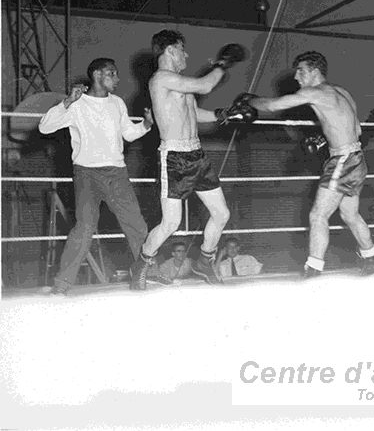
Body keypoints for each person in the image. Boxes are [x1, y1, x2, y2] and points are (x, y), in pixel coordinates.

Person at [246, 51, 374, 277]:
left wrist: (248, 99)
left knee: (318, 215)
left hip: (343, 161)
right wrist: (324, 139)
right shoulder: (343, 92)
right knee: (350, 215)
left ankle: (314, 267)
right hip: (357, 158)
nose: (297, 77)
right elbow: (357, 130)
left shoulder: (314, 92)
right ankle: (372, 258)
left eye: (301, 71)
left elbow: (272, 105)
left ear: (315, 71)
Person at [129, 30, 246, 290]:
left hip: (197, 156)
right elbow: (205, 85)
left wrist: (223, 114)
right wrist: (222, 64)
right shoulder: (160, 79)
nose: (187, 54)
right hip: (174, 158)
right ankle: (143, 262)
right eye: (182, 49)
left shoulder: (180, 82)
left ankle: (205, 260)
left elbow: (195, 114)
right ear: (170, 50)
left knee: (222, 213)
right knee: (171, 223)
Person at [39, 58, 153, 294]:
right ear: (98, 74)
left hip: (116, 173)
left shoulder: (118, 103)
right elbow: (45, 127)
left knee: (136, 225)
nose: (118, 79)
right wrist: (67, 102)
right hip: (86, 175)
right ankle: (62, 284)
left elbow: (128, 134)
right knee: (84, 228)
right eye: (113, 73)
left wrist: (146, 125)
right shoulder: (77, 104)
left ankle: (148, 273)